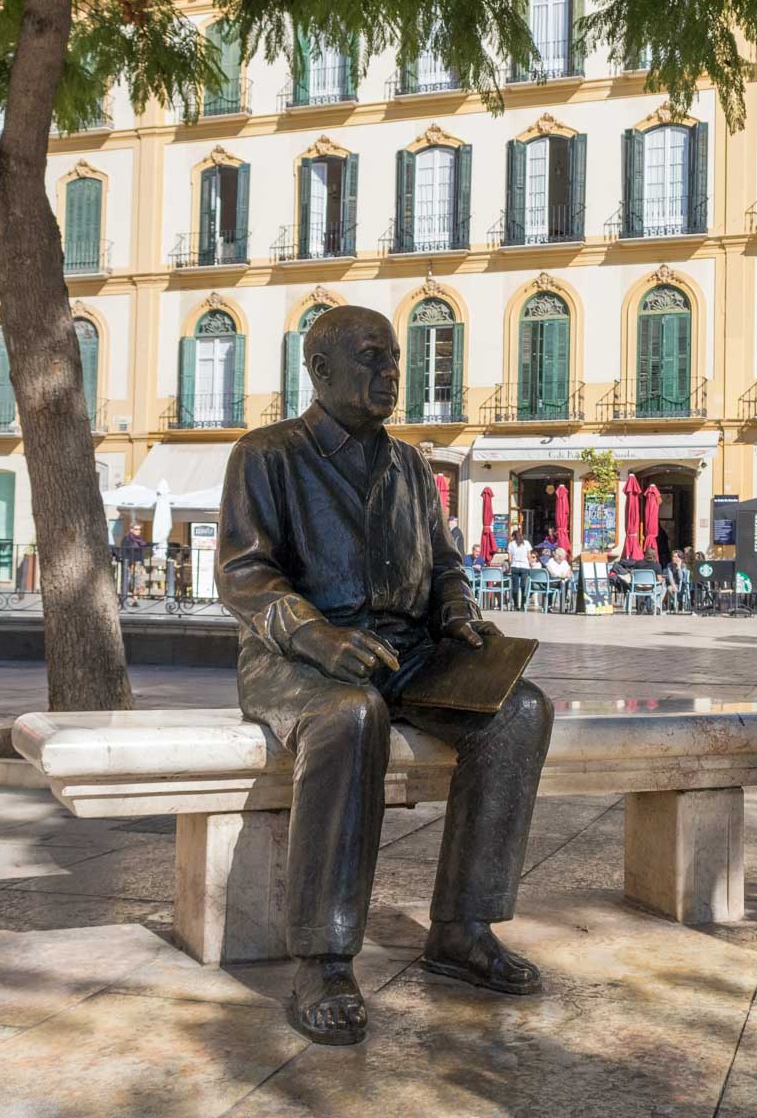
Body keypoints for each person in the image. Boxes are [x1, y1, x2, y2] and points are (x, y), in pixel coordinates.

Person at [216, 306, 553, 1047]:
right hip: (294, 659)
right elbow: (243, 576)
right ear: (321, 370)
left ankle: (463, 929)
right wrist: (316, 634)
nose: (391, 373)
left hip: (408, 651)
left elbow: (443, 565)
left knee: (519, 709)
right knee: (352, 715)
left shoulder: (409, 465)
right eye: (373, 359)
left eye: (394, 360)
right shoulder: (267, 454)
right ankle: (326, 958)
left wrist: (459, 609)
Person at [506, 528, 532, 611]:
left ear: (513, 536)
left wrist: (510, 566)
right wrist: (530, 564)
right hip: (525, 566)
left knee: (515, 586)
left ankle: (516, 605)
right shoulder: (526, 543)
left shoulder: (511, 544)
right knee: (524, 586)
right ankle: (523, 604)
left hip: (515, 566)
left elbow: (509, 558)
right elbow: (529, 556)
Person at [545, 547, 574, 611]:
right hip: (553, 581)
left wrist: (568, 574)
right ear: (558, 556)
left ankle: (563, 603)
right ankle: (550, 605)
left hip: (563, 581)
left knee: (565, 583)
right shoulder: (551, 561)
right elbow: (551, 572)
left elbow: (569, 573)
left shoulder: (564, 562)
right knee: (561, 583)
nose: (562, 559)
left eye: (563, 557)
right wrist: (557, 575)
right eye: (562, 557)